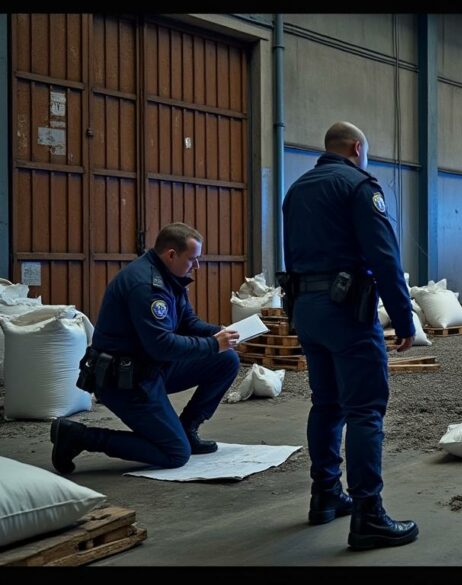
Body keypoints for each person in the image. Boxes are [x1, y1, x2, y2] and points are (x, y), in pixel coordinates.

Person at [281, 121, 418, 551]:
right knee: (365, 410)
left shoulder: (297, 189)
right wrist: (404, 318)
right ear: (357, 148)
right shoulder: (360, 186)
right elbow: (385, 257)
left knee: (326, 403)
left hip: (305, 308)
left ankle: (324, 495)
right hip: (346, 311)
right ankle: (368, 516)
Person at [49, 223, 241, 473]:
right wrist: (213, 344)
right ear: (171, 254)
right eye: (192, 259)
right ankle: (80, 436)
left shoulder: (171, 278)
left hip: (151, 369)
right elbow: (161, 345)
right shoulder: (147, 286)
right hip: (125, 382)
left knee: (227, 360)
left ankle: (187, 428)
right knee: (175, 453)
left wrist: (221, 332)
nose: (197, 266)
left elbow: (188, 323)